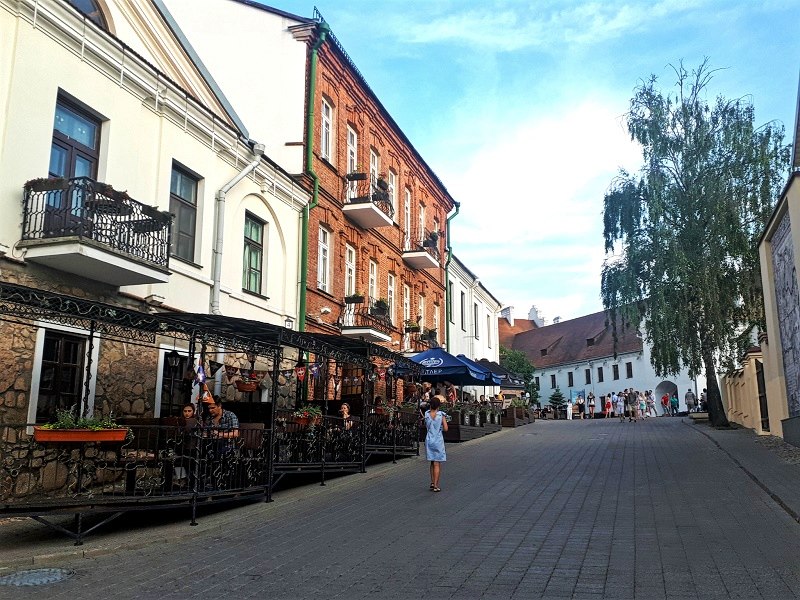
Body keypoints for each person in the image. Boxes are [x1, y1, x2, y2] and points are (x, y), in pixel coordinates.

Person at [424, 396, 448, 492]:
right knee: (437, 463)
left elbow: (427, 425)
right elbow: (446, 428)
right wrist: (440, 427)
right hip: (438, 440)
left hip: (429, 439)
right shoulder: (441, 415)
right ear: (438, 406)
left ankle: (432, 482)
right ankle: (436, 486)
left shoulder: (426, 414)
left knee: (432, 461)